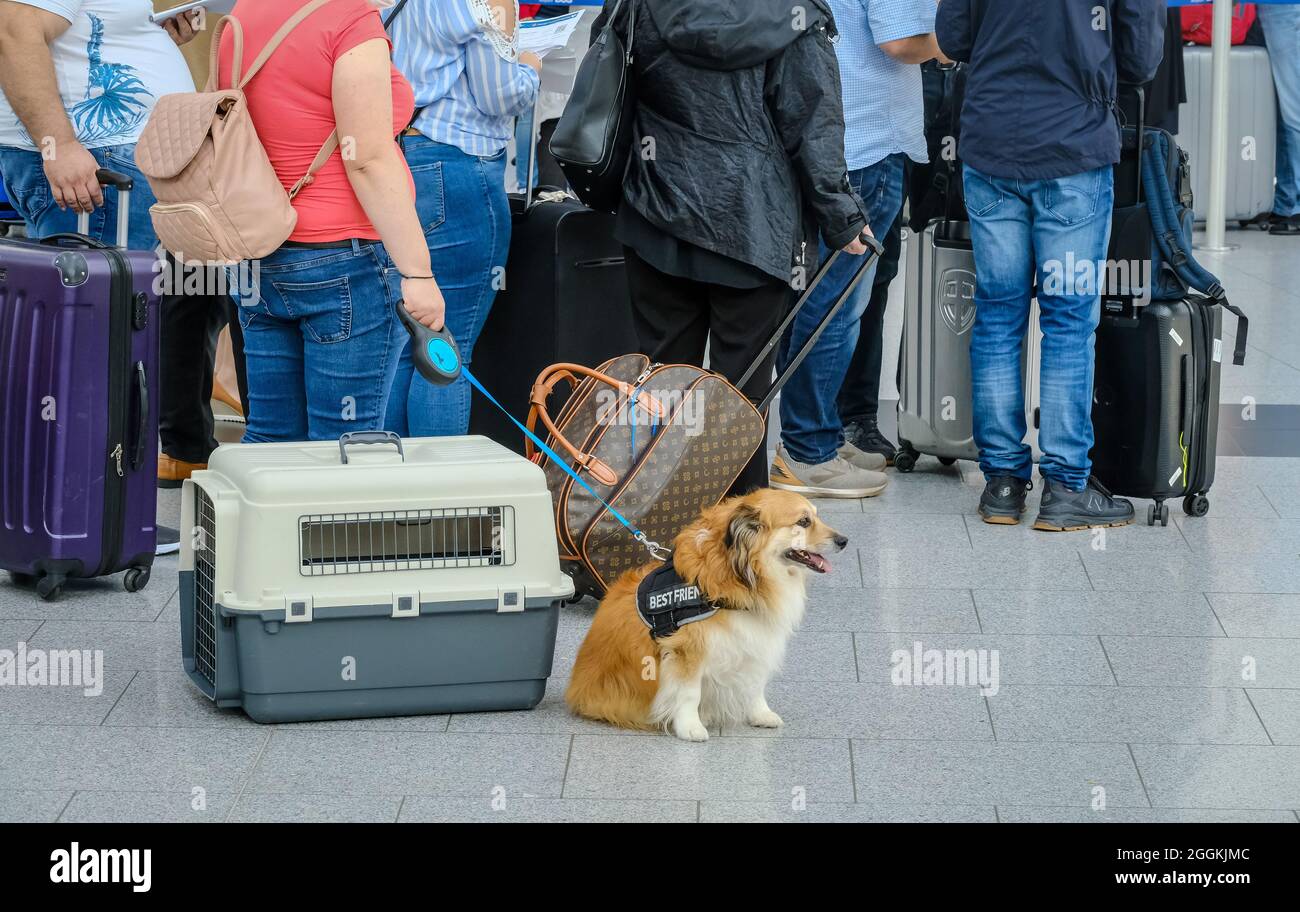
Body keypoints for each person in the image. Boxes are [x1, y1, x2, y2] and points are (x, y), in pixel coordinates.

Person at [609, 0, 870, 495]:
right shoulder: (795, 14)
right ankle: (739, 542)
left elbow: (612, 85)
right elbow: (812, 125)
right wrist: (842, 216)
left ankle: (659, 533)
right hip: (753, 225)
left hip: (656, 211)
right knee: (743, 402)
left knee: (664, 389)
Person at [936, 0, 1164, 531]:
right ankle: (1065, 487)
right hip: (1073, 151)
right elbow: (1142, 57)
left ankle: (1003, 484)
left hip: (990, 146)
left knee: (997, 317)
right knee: (1068, 322)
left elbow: (952, 38)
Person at [0, 0, 245, 489]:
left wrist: (152, 31)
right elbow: (14, 28)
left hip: (117, 161)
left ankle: (100, 519)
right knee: (100, 351)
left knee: (130, 336)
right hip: (97, 166)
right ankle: (83, 516)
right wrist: (60, 145)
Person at [221, 0, 443, 443]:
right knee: (345, 446)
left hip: (259, 247)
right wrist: (418, 271)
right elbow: (367, 158)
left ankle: (259, 515)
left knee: (270, 439)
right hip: (342, 256)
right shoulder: (350, 20)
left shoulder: (246, 10)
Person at [772, 0, 944, 497]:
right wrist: (957, 41)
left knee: (817, 300)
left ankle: (818, 434)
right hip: (868, 143)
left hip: (831, 141)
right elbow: (900, 42)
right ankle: (810, 452)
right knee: (834, 309)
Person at [385, 0, 540, 437]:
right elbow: (500, 94)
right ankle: (438, 500)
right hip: (458, 165)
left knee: (403, 342)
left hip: (401, 162)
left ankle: (385, 491)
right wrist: (530, 67)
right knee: (445, 345)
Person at [1257, 3, 1300, 235]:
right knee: (1287, 108)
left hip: (1282, 8)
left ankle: (1295, 205)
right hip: (1277, 8)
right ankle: (1286, 201)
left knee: (1293, 108)